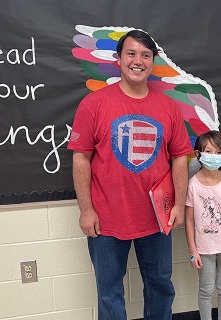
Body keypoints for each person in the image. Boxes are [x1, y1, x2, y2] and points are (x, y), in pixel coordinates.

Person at [68, 29, 192, 320]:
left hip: (156, 218)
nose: (138, 60)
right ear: (119, 59)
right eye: (131, 53)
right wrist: (86, 210)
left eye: (145, 55)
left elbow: (180, 160)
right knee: (109, 291)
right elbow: (81, 158)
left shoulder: (169, 108)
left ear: (153, 61)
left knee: (161, 286)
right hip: (107, 219)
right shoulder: (93, 105)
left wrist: (178, 205)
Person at [185, 130, 221, 320]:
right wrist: (193, 250)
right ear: (198, 154)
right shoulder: (192, 185)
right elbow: (189, 219)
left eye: (218, 152)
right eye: (208, 151)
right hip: (205, 248)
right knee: (206, 289)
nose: (213, 156)